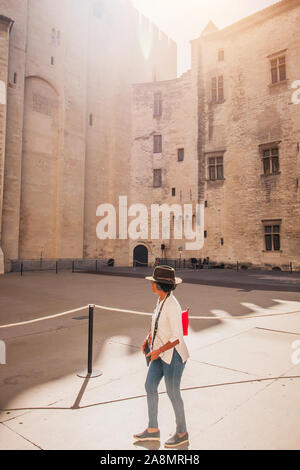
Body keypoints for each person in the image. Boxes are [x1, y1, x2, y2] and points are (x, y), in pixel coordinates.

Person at [133, 265, 190, 448]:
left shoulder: (173, 306)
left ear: (160, 285)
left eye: (154, 282)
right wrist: (147, 339)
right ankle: (152, 429)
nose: (152, 284)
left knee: (173, 394)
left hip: (172, 357)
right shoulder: (161, 300)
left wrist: (157, 351)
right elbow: (157, 325)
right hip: (159, 352)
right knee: (150, 385)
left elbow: (177, 337)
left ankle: (182, 432)